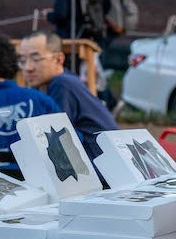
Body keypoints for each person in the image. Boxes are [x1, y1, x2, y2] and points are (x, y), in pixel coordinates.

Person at [17, 29, 117, 160]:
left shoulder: (62, 84)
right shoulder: (59, 82)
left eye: (36, 59)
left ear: (59, 59)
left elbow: (53, 138)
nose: (28, 68)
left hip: (100, 168)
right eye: (23, 61)